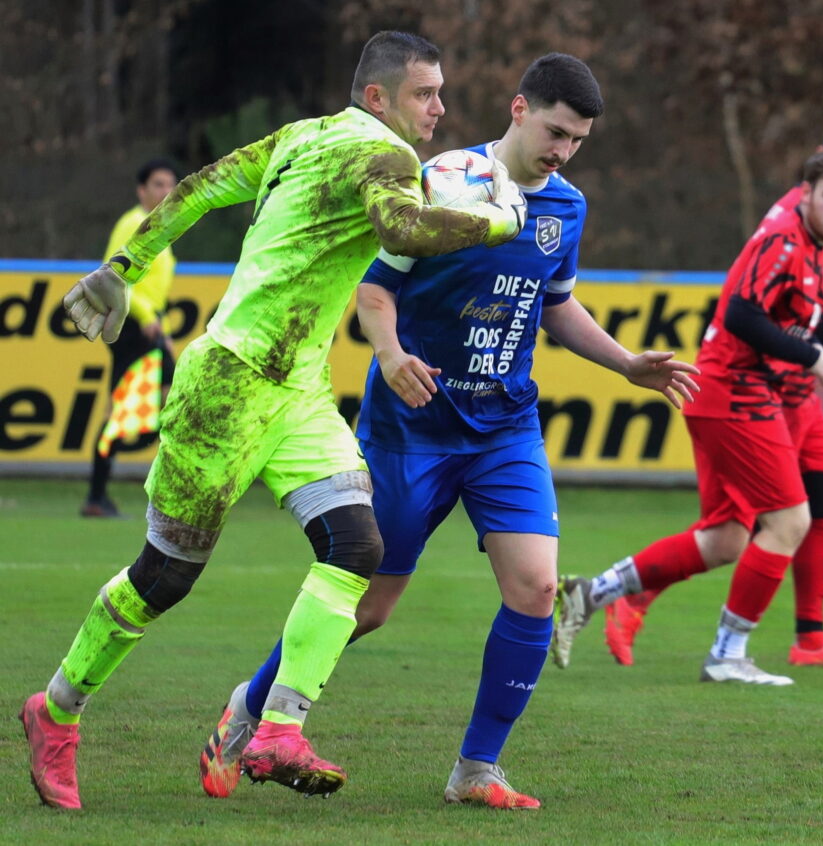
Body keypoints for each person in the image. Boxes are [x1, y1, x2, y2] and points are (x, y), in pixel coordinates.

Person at [20, 30, 528, 810]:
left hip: (296, 393)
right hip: (226, 386)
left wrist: (121, 267)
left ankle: (278, 727)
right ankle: (56, 709)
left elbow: (193, 188)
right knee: (165, 578)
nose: (440, 108)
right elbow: (403, 231)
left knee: (357, 544)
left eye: (441, 93)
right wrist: (500, 220)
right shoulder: (383, 155)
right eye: (426, 93)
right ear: (378, 97)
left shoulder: (300, 136)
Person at [195, 53, 699, 809]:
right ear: (519, 107)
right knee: (366, 607)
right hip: (412, 430)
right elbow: (373, 291)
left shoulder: (567, 207)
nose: (564, 150)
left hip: (505, 428)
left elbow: (554, 302)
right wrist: (392, 354)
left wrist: (625, 362)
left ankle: (476, 769)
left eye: (579, 140)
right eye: (556, 131)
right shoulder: (439, 183)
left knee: (534, 590)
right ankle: (248, 709)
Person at [552, 122, 823, 675]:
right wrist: (812, 360)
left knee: (729, 538)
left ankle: (594, 591)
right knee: (791, 521)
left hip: (730, 396)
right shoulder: (784, 241)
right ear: (805, 193)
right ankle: (728, 654)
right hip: (735, 394)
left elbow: (801, 320)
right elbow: (738, 314)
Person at [81, 159, 180, 519]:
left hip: (147, 328)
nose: (166, 192)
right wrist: (147, 317)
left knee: (173, 400)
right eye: (157, 184)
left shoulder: (162, 228)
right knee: (129, 410)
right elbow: (112, 275)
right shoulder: (132, 223)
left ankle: (139, 474)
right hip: (129, 327)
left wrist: (162, 329)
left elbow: (154, 291)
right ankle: (96, 495)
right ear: (141, 190)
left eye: (171, 185)